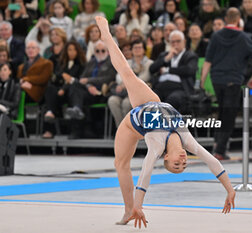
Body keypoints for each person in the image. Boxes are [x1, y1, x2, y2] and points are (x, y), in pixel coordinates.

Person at [95, 15, 236, 228]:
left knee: (120, 164)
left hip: (130, 125)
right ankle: (129, 210)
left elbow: (145, 174)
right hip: (151, 102)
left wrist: (139, 205)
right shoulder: (187, 141)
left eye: (175, 164)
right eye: (183, 164)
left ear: (166, 157)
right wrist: (230, 189)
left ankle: (129, 210)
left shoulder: (157, 145)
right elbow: (212, 162)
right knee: (128, 74)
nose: (182, 160)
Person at [200, 7, 252, 160]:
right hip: (233, 80)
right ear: (238, 19)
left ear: (226, 19)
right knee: (229, 115)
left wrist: (202, 80)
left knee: (222, 111)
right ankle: (220, 150)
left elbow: (207, 61)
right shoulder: (244, 37)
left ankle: (217, 144)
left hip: (217, 80)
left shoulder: (216, 36)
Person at [65, 40, 116, 138]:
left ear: (107, 51)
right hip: (88, 91)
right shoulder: (91, 62)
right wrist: (89, 87)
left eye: (103, 51)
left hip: (101, 93)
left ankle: (77, 113)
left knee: (76, 92)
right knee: (74, 86)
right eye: (97, 51)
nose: (100, 53)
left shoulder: (111, 62)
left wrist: (89, 81)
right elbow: (82, 79)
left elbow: (109, 78)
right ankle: (77, 110)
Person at [42, 40, 86, 139]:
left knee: (74, 90)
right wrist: (63, 76)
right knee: (50, 89)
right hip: (61, 92)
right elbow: (56, 77)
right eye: (69, 50)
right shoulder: (62, 63)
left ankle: (75, 131)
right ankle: (50, 114)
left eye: (74, 50)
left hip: (73, 93)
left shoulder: (82, 65)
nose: (72, 52)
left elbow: (79, 81)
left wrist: (65, 86)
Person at [150, 30, 198, 114]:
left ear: (184, 42)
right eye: (173, 42)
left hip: (180, 88)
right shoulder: (164, 55)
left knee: (171, 101)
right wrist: (166, 59)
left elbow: (189, 70)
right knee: (149, 100)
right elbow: (152, 69)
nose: (175, 44)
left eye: (178, 41)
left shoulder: (190, 55)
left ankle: (166, 125)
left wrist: (168, 70)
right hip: (160, 87)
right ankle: (151, 126)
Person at [108, 39, 153, 128]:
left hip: (139, 94)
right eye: (135, 48)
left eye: (139, 47)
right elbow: (119, 76)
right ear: (131, 50)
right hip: (124, 92)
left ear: (144, 50)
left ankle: (132, 129)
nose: (137, 50)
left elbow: (145, 77)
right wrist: (123, 83)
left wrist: (127, 83)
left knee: (127, 103)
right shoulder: (127, 63)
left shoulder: (149, 63)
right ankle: (121, 128)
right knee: (112, 100)